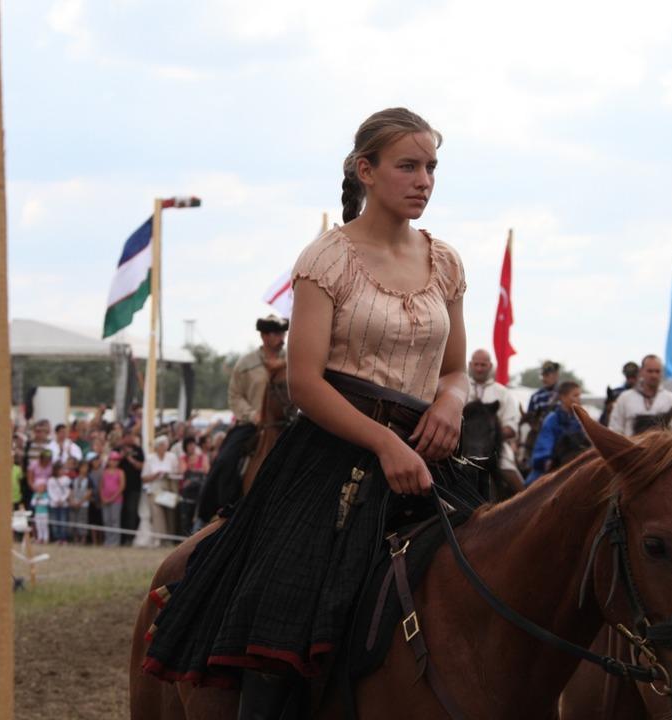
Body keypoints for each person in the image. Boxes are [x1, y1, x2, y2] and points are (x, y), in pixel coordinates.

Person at [143, 107, 480, 716]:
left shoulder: (446, 262)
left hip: (431, 455)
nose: (424, 180)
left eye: (431, 166)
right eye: (408, 165)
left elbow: (455, 368)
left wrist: (452, 402)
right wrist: (384, 443)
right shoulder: (328, 259)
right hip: (332, 459)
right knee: (285, 601)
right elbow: (304, 383)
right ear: (366, 171)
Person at [196, 315, 291, 523]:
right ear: (264, 336)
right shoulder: (246, 363)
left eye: (283, 333)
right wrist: (252, 414)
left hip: (287, 423)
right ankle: (216, 514)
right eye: (276, 333)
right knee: (225, 460)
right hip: (251, 424)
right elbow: (235, 395)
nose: (281, 337)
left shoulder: (291, 362)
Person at [466, 349, 523, 494]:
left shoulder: (503, 393)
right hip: (460, 448)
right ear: (470, 365)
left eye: (483, 365)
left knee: (512, 476)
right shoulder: (461, 388)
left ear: (490, 366)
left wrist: (490, 436)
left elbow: (511, 426)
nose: (479, 368)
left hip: (498, 450)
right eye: (476, 364)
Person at [526, 381, 588, 484]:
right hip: (555, 463)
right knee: (531, 485)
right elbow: (545, 441)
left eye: (579, 395)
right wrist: (546, 459)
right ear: (563, 397)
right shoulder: (552, 419)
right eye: (575, 395)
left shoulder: (579, 419)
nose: (579, 399)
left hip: (577, 464)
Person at [608, 354, 672, 436]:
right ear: (641, 371)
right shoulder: (625, 398)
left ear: (662, 373)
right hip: (631, 447)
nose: (654, 375)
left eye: (657, 371)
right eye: (650, 371)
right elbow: (615, 430)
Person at [141, 435, 178, 544]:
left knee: (170, 514)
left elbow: (177, 472)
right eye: (161, 445)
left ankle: (170, 538)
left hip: (169, 487)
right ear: (156, 447)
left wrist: (168, 474)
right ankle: (159, 539)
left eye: (165, 444)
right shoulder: (150, 458)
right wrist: (155, 475)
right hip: (154, 488)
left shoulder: (172, 457)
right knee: (157, 514)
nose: (163, 447)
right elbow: (144, 477)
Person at [599, 360, 639, 426]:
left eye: (633, 377)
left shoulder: (644, 394)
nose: (631, 380)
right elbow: (604, 420)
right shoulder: (615, 394)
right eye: (628, 377)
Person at [100, 453, 125, 547]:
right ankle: (108, 540)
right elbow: (101, 486)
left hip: (116, 500)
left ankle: (115, 541)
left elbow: (122, 486)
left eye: (116, 460)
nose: (113, 462)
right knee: (106, 520)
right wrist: (103, 497)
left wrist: (112, 498)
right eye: (112, 460)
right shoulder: (104, 472)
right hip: (105, 500)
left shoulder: (120, 472)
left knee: (115, 520)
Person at [47, 461, 71, 544]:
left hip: (63, 504)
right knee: (55, 521)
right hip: (54, 504)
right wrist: (55, 500)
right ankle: (57, 538)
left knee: (63, 521)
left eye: (62, 469)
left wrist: (62, 500)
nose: (61, 471)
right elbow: (50, 491)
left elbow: (67, 491)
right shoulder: (51, 480)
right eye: (59, 469)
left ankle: (63, 538)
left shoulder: (67, 479)